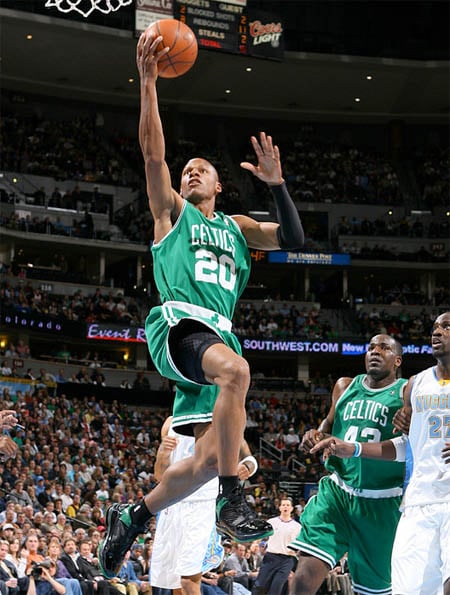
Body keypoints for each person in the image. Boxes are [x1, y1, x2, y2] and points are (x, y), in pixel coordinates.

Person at [99, 27, 304, 579]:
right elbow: (153, 155)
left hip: (216, 338)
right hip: (179, 327)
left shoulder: (237, 227)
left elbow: (294, 240)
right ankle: (233, 499)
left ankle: (132, 516)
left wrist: (278, 186)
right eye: (186, 169)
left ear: (219, 186)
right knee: (237, 371)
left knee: (212, 459)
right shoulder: (171, 212)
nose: (190, 172)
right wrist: (148, 83)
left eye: (201, 170)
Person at [311, 312, 450, 595]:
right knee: (406, 589)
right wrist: (353, 448)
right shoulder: (415, 384)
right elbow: (407, 446)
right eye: (435, 327)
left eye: (447, 327)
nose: (437, 332)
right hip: (418, 501)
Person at [289, 334, 407, 595]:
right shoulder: (345, 386)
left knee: (374, 591)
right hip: (338, 493)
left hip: (382, 502)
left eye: (384, 348)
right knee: (303, 575)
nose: (375, 351)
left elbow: (408, 447)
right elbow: (328, 425)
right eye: (371, 347)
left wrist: (353, 448)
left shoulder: (406, 391)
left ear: (397, 360)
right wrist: (315, 434)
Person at [150, 415, 258, 595]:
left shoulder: (222, 419)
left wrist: (247, 466)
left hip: (203, 505)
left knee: (189, 580)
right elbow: (160, 476)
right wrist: (163, 453)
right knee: (174, 582)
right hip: (172, 505)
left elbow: (248, 458)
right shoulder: (171, 423)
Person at [252, 498, 300, 595]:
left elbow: (300, 544)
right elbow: (261, 534)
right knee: (260, 585)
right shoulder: (272, 522)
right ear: (279, 508)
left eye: (288, 505)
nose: (285, 507)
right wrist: (255, 543)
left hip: (287, 560)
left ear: (291, 508)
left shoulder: (297, 527)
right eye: (283, 505)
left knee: (276, 588)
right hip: (271, 557)